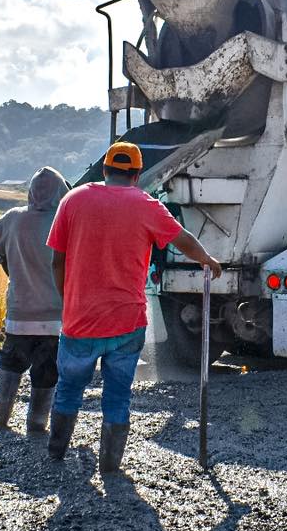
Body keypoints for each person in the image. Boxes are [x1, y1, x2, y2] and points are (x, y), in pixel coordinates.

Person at [46, 141, 222, 473]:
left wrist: (67, 299)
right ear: (137, 174)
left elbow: (57, 260)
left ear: (106, 169)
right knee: (117, 394)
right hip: (127, 323)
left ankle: (56, 454)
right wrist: (207, 260)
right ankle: (110, 466)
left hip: (79, 321)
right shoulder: (147, 205)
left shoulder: (73, 200)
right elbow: (181, 238)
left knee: (68, 388)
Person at [0, 167, 68, 432]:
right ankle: (37, 423)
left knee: (11, 366)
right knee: (47, 371)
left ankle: (0, 421)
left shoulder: (13, 218)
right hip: (55, 318)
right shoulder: (65, 222)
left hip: (20, 315)